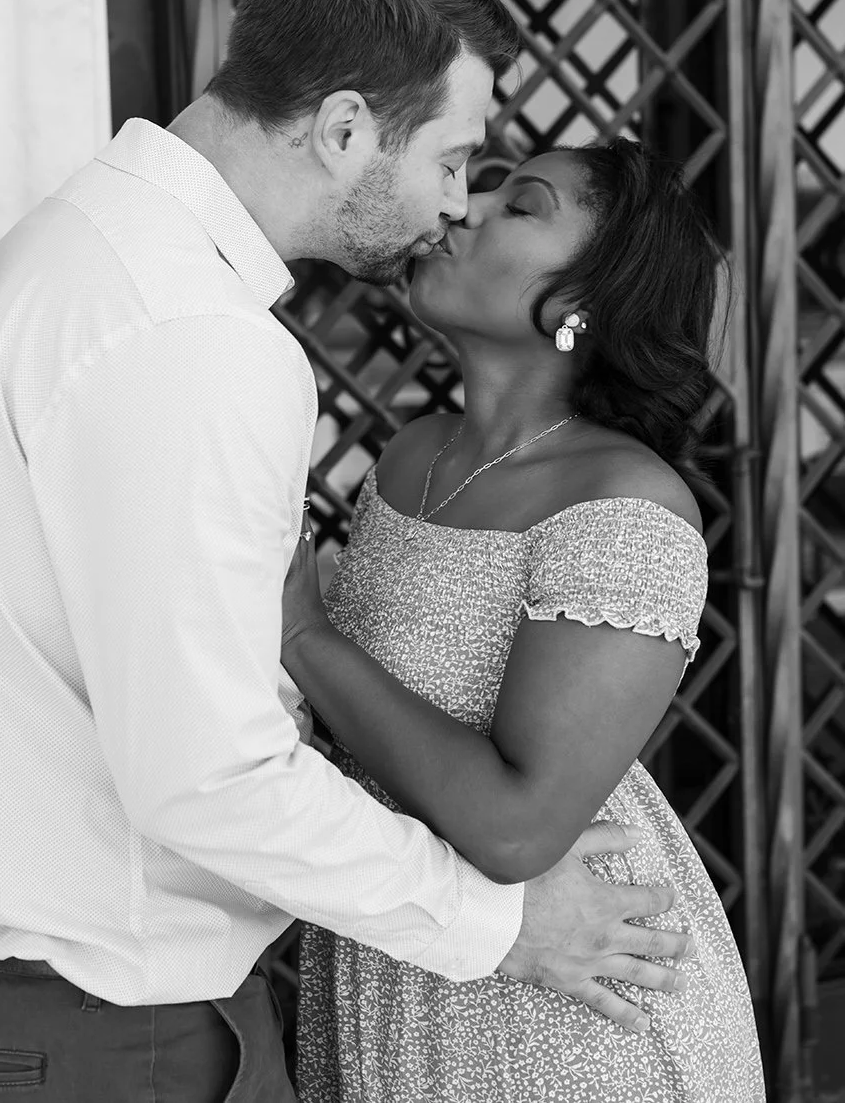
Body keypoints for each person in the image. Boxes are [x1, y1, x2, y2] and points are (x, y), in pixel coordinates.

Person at [0, 0, 689, 1103]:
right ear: (345, 125)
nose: (456, 203)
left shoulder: (71, 252)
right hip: (108, 1028)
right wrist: (499, 926)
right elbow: (211, 773)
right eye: (453, 161)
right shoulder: (196, 336)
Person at [281, 137, 766, 1101]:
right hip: (398, 957)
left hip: (571, 1017)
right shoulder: (413, 454)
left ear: (585, 301)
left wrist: (304, 636)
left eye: (522, 205)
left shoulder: (628, 506)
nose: (464, 207)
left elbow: (517, 830)